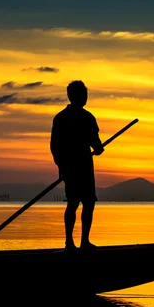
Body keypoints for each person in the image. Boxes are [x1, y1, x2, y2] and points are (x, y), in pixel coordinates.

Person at [51, 81, 104, 250]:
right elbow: (96, 145)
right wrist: (98, 148)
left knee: (74, 203)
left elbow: (54, 147)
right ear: (76, 96)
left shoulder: (60, 118)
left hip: (70, 168)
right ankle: (81, 242)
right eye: (84, 95)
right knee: (86, 203)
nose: (86, 98)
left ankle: (73, 242)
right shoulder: (86, 118)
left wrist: (62, 166)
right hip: (80, 167)